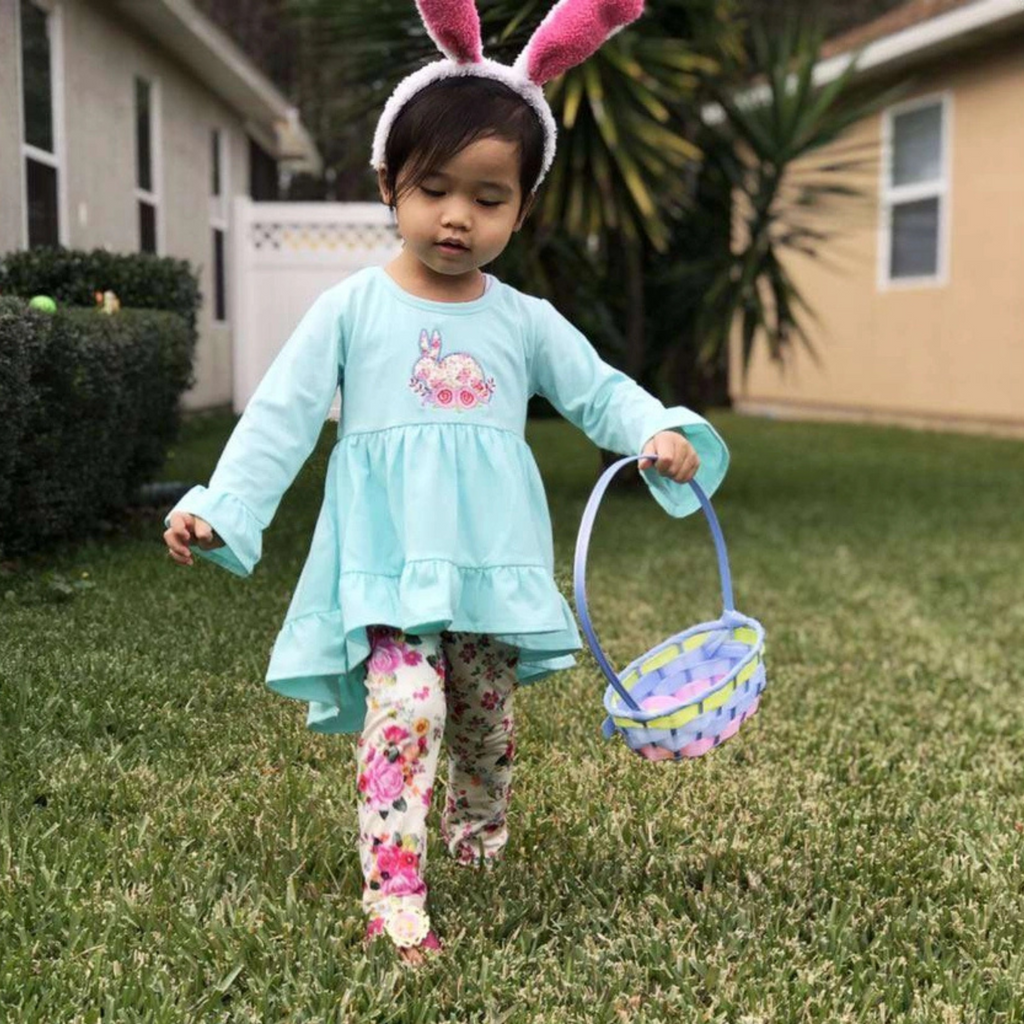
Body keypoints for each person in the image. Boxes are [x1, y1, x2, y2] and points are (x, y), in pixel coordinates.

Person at [163, 0, 729, 966]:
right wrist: (222, 507)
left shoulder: (524, 320)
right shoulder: (349, 309)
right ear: (389, 183)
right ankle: (396, 894)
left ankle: (480, 826)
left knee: (482, 715)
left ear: (522, 206)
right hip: (387, 561)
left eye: (489, 196)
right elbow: (280, 417)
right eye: (433, 188)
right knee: (407, 705)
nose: (457, 216)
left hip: (487, 563)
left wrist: (660, 430)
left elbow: (600, 393)